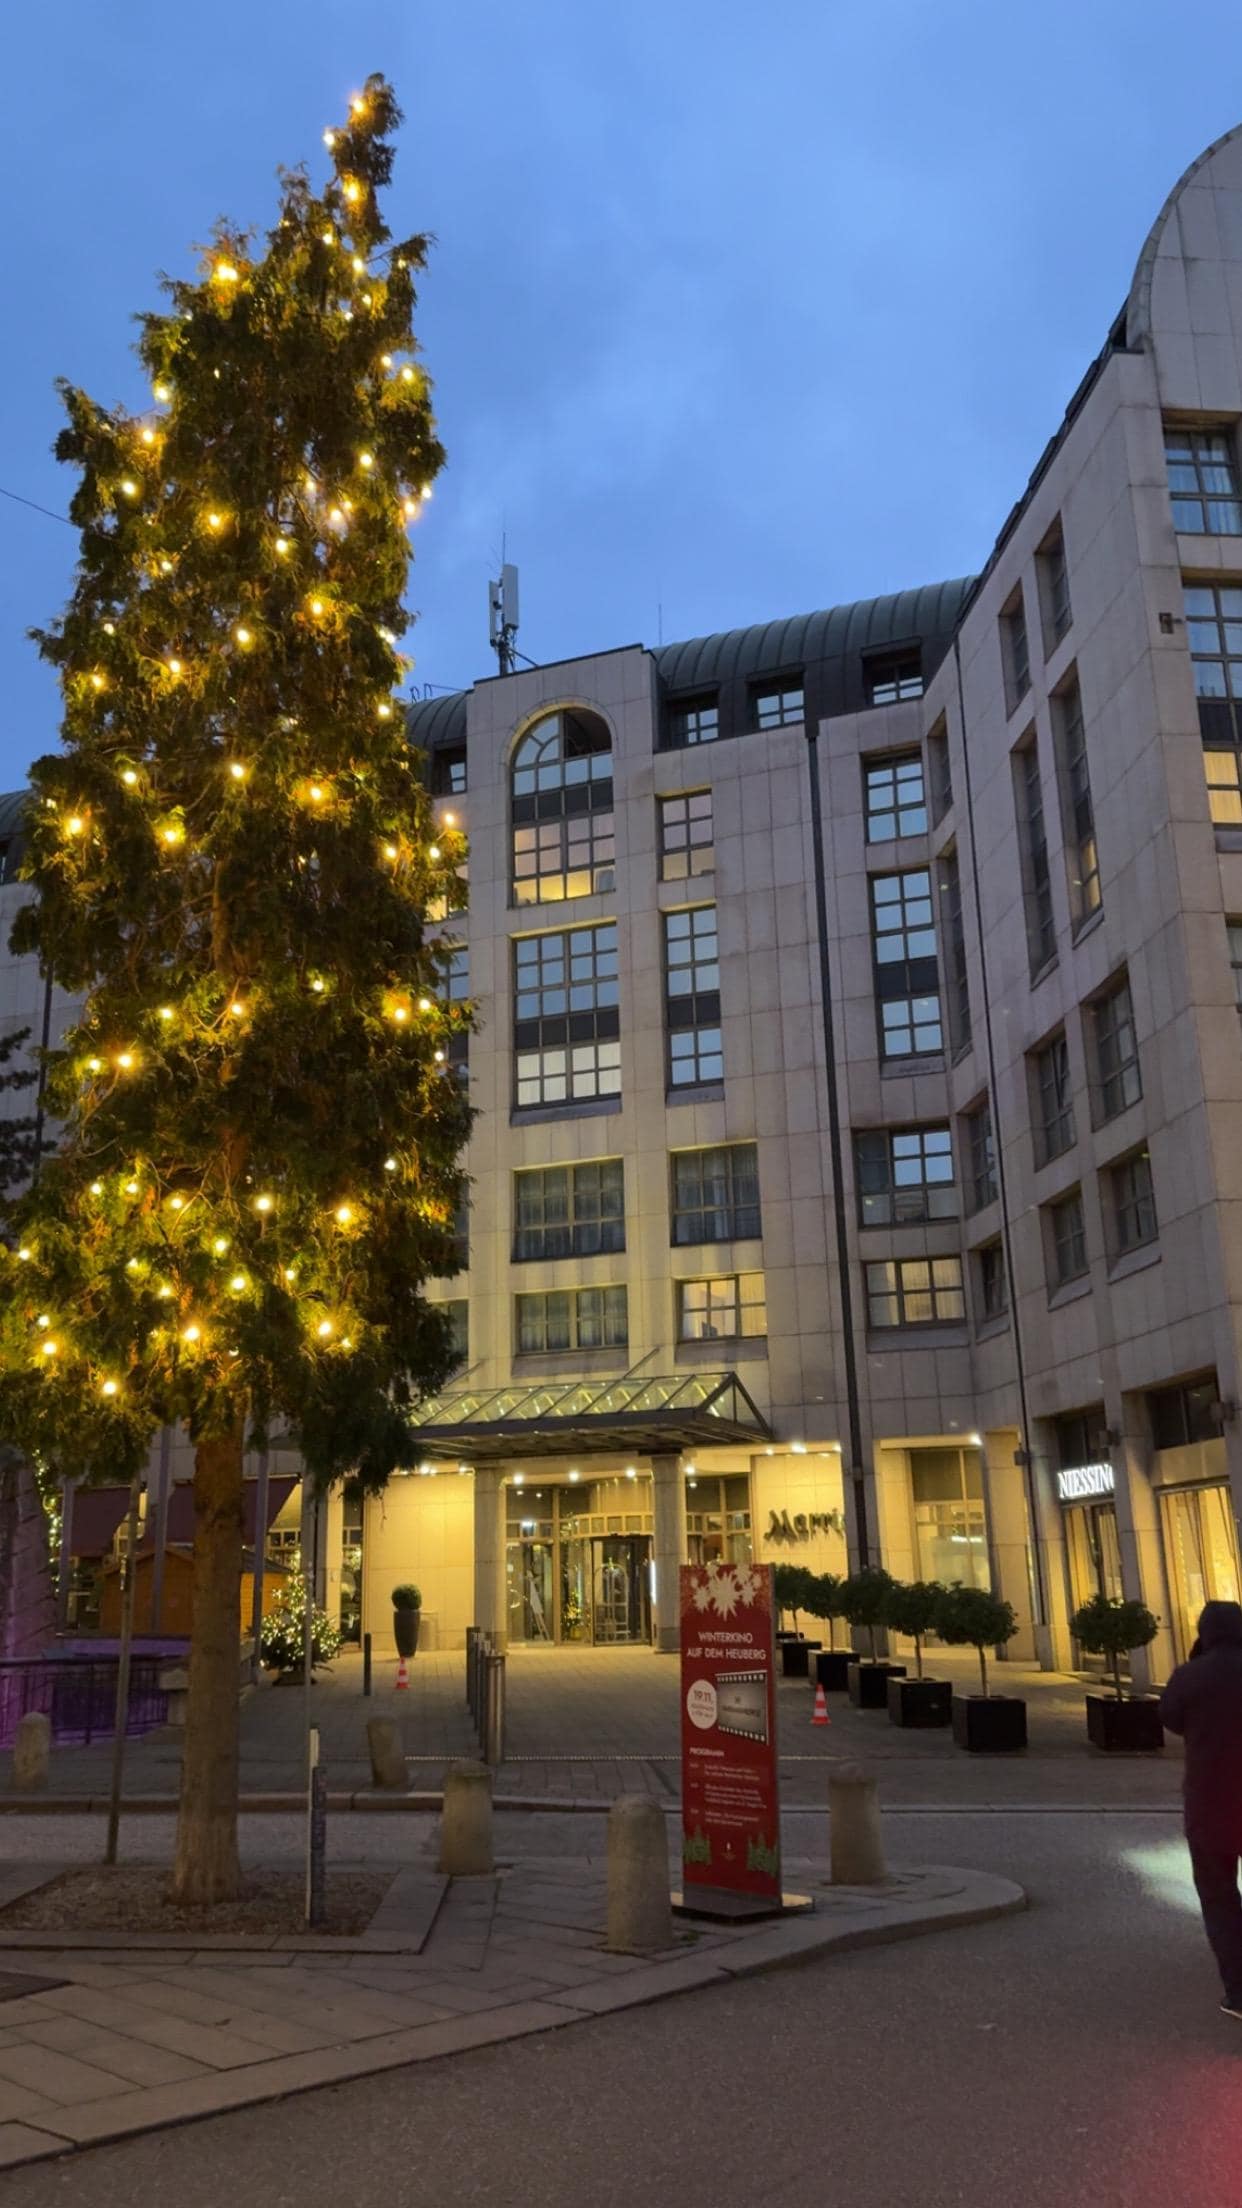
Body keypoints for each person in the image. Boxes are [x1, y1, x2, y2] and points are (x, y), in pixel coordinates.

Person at [1161, 1599, 1242, 2019]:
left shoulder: (1191, 1675)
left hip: (1211, 1803)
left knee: (1218, 1896)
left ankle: (1239, 1992)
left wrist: (1197, 1662)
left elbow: (1170, 1717)